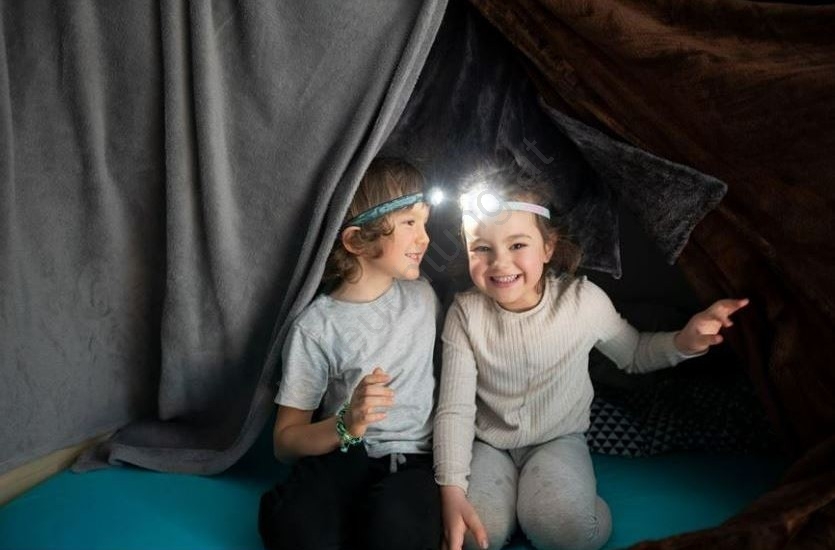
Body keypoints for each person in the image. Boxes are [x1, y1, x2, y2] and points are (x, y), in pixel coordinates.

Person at [433, 165, 749, 550]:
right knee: (476, 537)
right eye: (482, 248)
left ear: (548, 247)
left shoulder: (581, 301)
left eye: (517, 245)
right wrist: (451, 491)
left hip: (556, 439)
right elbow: (455, 409)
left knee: (565, 531)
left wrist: (684, 341)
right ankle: (512, 502)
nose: (500, 262)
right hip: (489, 443)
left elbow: (634, 354)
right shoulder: (465, 313)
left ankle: (568, 503)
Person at [258, 158, 442, 550]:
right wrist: (347, 423)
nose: (425, 238)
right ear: (357, 241)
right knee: (299, 530)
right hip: (343, 454)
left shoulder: (425, 297)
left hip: (411, 462)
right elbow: (285, 443)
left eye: (425, 222)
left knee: (397, 534)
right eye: (410, 223)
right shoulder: (315, 327)